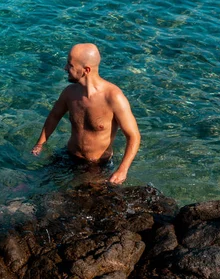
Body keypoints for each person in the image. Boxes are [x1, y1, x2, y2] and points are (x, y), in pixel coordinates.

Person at [31, 43, 140, 185]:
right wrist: (40, 144)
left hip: (97, 165)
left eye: (70, 65)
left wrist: (122, 169)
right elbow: (54, 116)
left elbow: (134, 136)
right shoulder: (70, 93)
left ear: (86, 70)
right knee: (33, 182)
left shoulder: (113, 97)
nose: (65, 68)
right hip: (69, 156)